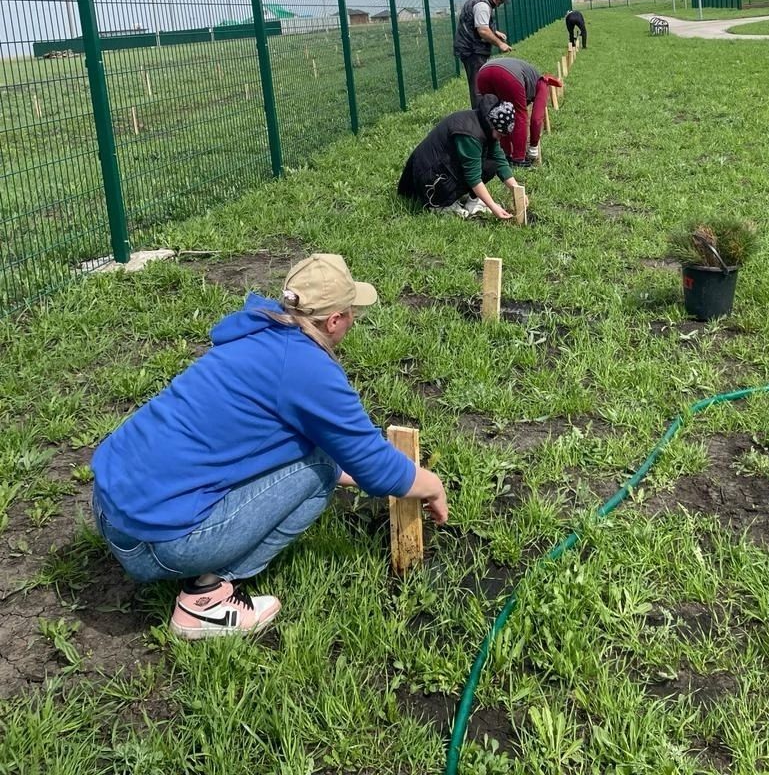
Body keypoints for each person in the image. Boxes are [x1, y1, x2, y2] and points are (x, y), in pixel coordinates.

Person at [90, 254, 448, 639]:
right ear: (335, 320)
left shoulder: (258, 332)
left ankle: (197, 567)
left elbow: (291, 442)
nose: (352, 320)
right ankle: (204, 602)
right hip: (158, 544)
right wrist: (431, 484)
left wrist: (353, 469)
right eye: (351, 313)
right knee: (321, 475)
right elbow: (378, 469)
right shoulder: (307, 369)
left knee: (320, 459)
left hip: (111, 511)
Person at [397, 94, 523, 220]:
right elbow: (473, 177)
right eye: (500, 134)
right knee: (474, 170)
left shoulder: (486, 122)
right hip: (428, 178)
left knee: (491, 165)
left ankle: (472, 201)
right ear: (492, 125)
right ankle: (440, 204)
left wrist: (516, 190)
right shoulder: (470, 134)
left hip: (441, 167)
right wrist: (493, 207)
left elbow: (498, 158)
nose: (499, 138)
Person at [476, 56, 562, 167]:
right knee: (520, 114)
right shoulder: (543, 83)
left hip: (483, 73)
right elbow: (536, 118)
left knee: (498, 113)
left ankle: (503, 153)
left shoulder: (531, 75)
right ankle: (518, 158)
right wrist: (533, 146)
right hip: (508, 75)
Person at [454, 0, 512, 106]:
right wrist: (500, 44)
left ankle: (483, 112)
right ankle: (480, 117)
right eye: (500, 2)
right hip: (472, 50)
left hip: (472, 48)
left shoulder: (479, 0)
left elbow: (478, 24)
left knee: (481, 82)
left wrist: (495, 32)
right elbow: (483, 30)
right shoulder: (483, 5)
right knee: (478, 87)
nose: (499, 5)